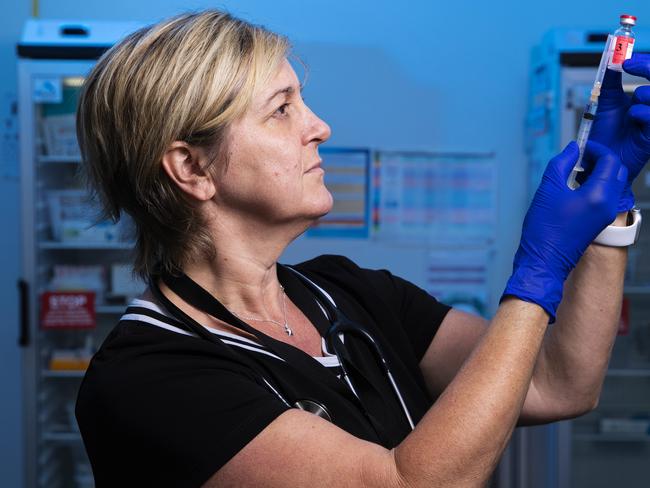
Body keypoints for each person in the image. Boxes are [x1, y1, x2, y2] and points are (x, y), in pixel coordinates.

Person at [74, 10, 650, 487]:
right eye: (281, 110)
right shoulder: (149, 379)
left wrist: (607, 204)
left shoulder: (352, 292)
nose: (320, 126)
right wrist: (538, 271)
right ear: (192, 168)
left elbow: (557, 382)